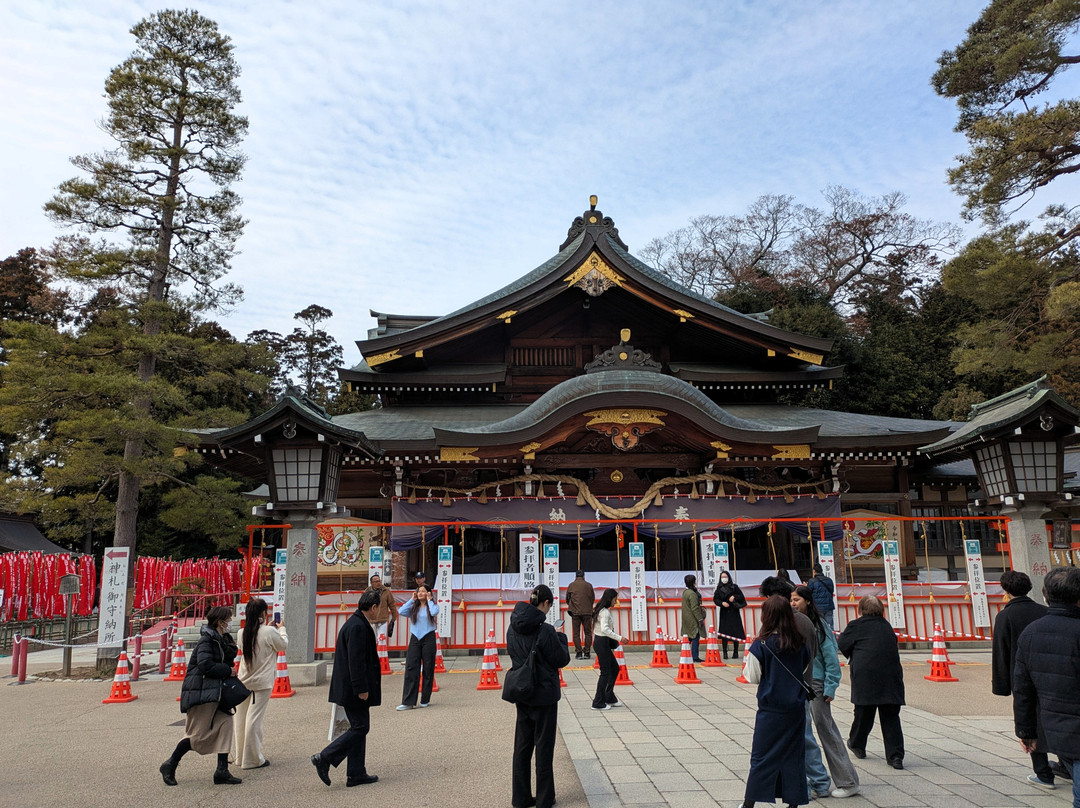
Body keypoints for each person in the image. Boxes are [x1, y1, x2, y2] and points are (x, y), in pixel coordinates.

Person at [1013, 566, 1080, 808]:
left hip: (1056, 727)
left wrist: (1026, 731)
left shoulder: (1031, 633)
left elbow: (1023, 689)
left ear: (1047, 595)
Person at [160, 606, 243, 786]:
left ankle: (222, 771)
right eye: (228, 620)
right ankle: (170, 764)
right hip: (203, 692)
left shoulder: (220, 639)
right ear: (220, 622)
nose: (231, 622)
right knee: (197, 735)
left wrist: (229, 645)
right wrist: (227, 670)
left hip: (217, 692)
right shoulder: (206, 641)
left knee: (226, 725)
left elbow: (227, 657)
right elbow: (206, 665)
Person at [741, 594, 811, 808]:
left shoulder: (762, 644)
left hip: (771, 710)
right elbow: (805, 669)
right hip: (796, 709)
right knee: (794, 756)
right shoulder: (800, 643)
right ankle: (793, 802)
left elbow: (751, 676)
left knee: (762, 756)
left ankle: (750, 802)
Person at [992, 569, 1060, 789]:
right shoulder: (1044, 611)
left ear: (1006, 590)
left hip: (1021, 675)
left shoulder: (1005, 616)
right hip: (1049, 673)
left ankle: (1043, 773)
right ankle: (1066, 765)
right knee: (1054, 718)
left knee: (1029, 721)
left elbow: (1001, 651)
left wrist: (1001, 685)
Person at [792, 586, 860, 799]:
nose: (793, 603)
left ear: (808, 602)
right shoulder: (795, 624)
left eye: (796, 600)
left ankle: (848, 781)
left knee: (826, 729)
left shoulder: (819, 625)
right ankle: (815, 781)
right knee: (803, 732)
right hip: (803, 683)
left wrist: (831, 685)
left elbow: (831, 657)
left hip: (818, 683)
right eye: (791, 600)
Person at [506, 584, 571, 808]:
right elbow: (561, 659)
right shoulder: (545, 630)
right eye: (549, 605)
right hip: (543, 695)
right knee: (543, 748)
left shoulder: (512, 626)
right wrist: (561, 638)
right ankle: (544, 798)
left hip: (522, 691)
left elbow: (513, 653)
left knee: (522, 747)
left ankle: (521, 797)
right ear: (545, 604)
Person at [311, 589, 382, 787]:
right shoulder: (358, 627)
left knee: (358, 727)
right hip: (354, 688)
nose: (379, 612)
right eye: (379, 608)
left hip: (350, 687)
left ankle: (356, 772)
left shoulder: (356, 622)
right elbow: (356, 661)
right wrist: (361, 687)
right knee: (360, 727)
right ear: (373, 607)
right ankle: (324, 757)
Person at [837, 595, 906, 770]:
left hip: (865, 676)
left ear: (860, 610)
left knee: (863, 713)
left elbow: (843, 644)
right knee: (890, 716)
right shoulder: (887, 626)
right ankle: (895, 756)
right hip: (891, 677)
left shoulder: (856, 625)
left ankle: (857, 744)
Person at [232, 597, 288, 769]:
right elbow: (282, 645)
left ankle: (240, 757)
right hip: (261, 682)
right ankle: (252, 759)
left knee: (240, 719)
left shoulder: (242, 632)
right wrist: (282, 629)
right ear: (264, 613)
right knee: (254, 720)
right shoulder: (269, 632)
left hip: (243, 679)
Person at [396, 584, 439, 709]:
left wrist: (430, 600)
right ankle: (408, 701)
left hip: (429, 638)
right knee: (411, 667)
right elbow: (401, 611)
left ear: (428, 593)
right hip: (415, 638)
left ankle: (425, 699)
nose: (420, 593)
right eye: (418, 591)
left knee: (428, 668)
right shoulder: (413, 608)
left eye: (423, 591)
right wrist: (411, 600)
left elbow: (435, 612)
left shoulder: (432, 606)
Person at [591, 588, 627, 710]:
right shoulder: (604, 612)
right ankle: (598, 702)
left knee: (614, 669)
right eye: (614, 599)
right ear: (609, 599)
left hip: (601, 642)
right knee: (605, 672)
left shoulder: (601, 609)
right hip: (602, 642)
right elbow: (605, 629)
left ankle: (609, 696)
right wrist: (620, 638)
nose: (615, 601)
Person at [713, 570, 746, 659]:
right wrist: (722, 603)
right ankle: (725, 652)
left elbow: (742, 597)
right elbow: (716, 599)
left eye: (725, 577)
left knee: (735, 632)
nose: (724, 579)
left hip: (734, 611)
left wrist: (734, 597)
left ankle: (736, 652)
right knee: (725, 633)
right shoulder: (719, 589)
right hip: (724, 613)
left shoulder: (734, 587)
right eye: (722, 577)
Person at [565, 570, 595, 660]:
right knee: (588, 633)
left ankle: (578, 653)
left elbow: (567, 598)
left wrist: (573, 606)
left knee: (576, 633)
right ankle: (587, 652)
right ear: (584, 576)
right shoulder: (589, 585)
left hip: (575, 612)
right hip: (587, 612)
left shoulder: (571, 585)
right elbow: (592, 598)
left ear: (575, 577)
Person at [363, 573, 398, 640]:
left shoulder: (386, 591)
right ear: (371, 583)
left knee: (382, 640)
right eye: (376, 581)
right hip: (370, 620)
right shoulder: (367, 592)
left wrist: (394, 617)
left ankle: (381, 651)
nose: (378, 583)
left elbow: (392, 604)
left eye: (379, 581)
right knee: (371, 640)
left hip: (382, 620)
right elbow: (363, 605)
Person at [681, 574, 706, 663]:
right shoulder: (692, 594)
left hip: (686, 618)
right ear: (694, 582)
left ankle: (686, 654)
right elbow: (695, 608)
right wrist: (700, 619)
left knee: (689, 637)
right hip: (693, 619)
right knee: (695, 637)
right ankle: (695, 656)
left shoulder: (685, 592)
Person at [806, 563, 836, 630]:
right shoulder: (829, 580)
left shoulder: (812, 581)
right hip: (829, 606)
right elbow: (832, 591)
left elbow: (808, 593)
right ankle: (831, 638)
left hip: (817, 607)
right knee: (829, 625)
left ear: (814, 571)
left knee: (819, 625)